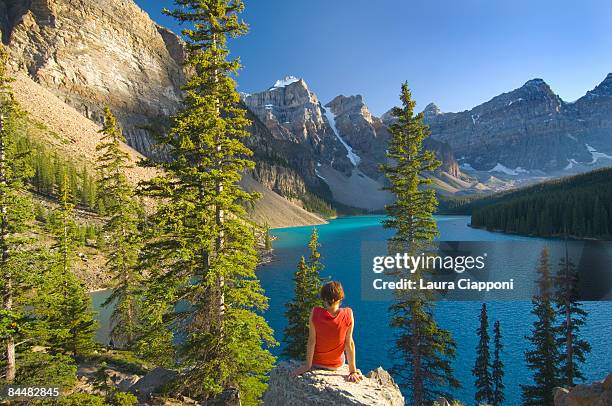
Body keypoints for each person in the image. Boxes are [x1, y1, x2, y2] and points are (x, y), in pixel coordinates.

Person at [292, 281, 363, 382]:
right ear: (340, 298)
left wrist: (307, 366)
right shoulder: (348, 314)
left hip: (317, 362)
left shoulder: (315, 312)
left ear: (324, 298)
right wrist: (352, 371)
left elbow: (312, 341)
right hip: (336, 365)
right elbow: (349, 343)